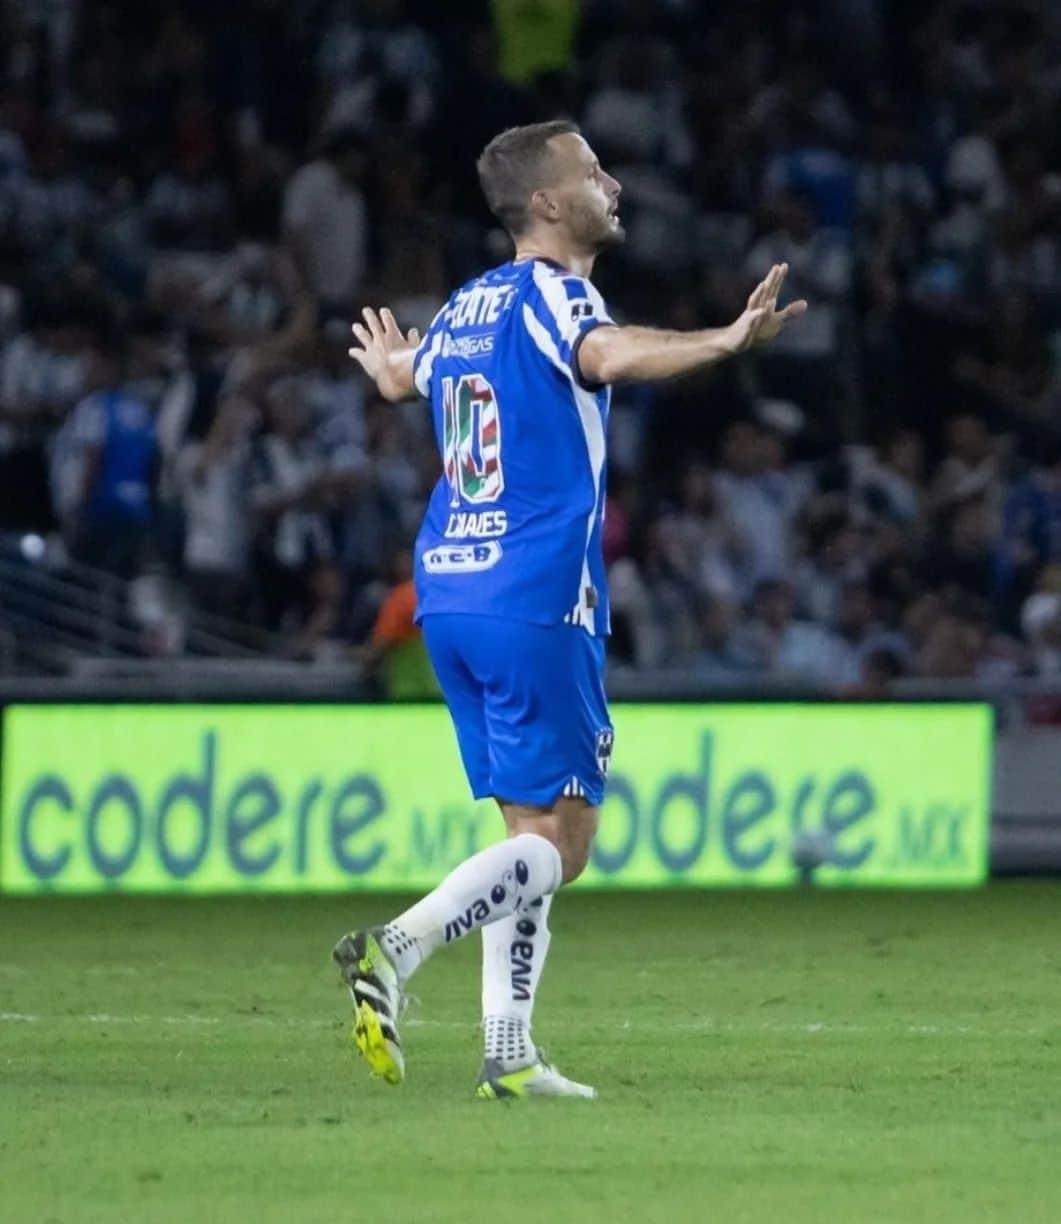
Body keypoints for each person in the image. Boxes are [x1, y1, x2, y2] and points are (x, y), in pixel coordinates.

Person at [337, 119, 806, 1100]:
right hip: (534, 591)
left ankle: (507, 1055)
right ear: (545, 203)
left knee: (525, 836)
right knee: (565, 846)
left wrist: (389, 375)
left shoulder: (467, 305)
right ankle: (396, 946)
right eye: (591, 172)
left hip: (451, 593)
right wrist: (722, 339)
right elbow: (605, 354)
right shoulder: (557, 295)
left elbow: (407, 376)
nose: (611, 184)